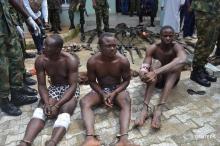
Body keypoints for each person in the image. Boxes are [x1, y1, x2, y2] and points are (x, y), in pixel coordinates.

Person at [18, 34, 80, 146]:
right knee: (41, 110)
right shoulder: (41, 60)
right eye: (44, 44)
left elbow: (73, 86)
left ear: (58, 49)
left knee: (65, 110)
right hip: (55, 87)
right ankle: (25, 142)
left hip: (69, 88)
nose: (43, 47)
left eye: (47, 46)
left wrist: (57, 105)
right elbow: (42, 85)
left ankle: (52, 142)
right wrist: (47, 103)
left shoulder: (70, 60)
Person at [80, 33, 138, 146]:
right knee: (84, 102)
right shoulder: (92, 62)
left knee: (126, 101)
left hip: (117, 88)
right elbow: (92, 81)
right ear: (100, 47)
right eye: (108, 46)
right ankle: (90, 138)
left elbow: (126, 81)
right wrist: (102, 93)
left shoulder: (123, 61)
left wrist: (115, 92)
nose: (112, 48)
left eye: (114, 45)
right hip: (100, 88)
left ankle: (124, 139)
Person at [134, 26, 187, 129]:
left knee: (176, 68)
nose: (168, 38)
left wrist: (156, 72)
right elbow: (146, 63)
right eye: (165, 36)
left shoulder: (177, 47)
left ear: (174, 36)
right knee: (156, 63)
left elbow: (182, 59)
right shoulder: (153, 47)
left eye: (170, 36)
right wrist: (143, 73)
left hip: (171, 80)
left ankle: (159, 109)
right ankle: (145, 108)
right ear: (160, 36)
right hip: (158, 80)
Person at [0, 0, 40, 116]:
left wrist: (23, 20)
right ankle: (4, 100)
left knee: (16, 59)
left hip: (8, 26)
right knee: (2, 67)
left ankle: (16, 93)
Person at [190, 0, 220, 87]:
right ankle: (195, 72)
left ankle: (201, 67)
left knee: (212, 40)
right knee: (204, 40)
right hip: (204, 7)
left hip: (215, 8)